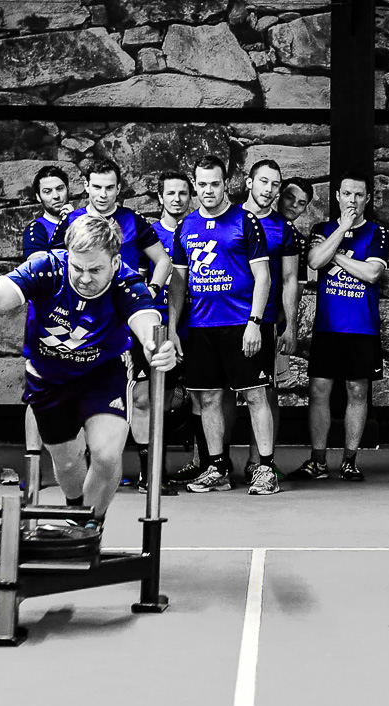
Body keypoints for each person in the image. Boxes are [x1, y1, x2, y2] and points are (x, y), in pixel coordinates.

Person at [0, 214, 175, 532]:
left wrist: (156, 346)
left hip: (102, 375)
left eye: (95, 270)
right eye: (78, 267)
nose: (84, 278)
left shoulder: (126, 282)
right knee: (69, 463)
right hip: (48, 379)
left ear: (115, 262)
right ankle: (77, 510)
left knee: (105, 454)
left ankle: (88, 525)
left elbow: (145, 320)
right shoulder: (47, 268)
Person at [52, 157, 174, 489]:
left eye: (110, 188)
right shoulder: (73, 222)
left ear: (119, 189)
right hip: (84, 326)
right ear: (86, 187)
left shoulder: (133, 220)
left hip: (128, 322)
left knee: (141, 398)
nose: (103, 194)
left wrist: (149, 291)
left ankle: (150, 472)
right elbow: (52, 263)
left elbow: (163, 260)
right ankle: (94, 469)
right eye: (97, 187)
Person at [167, 155, 280, 495]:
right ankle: (217, 467)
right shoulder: (186, 226)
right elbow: (177, 284)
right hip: (201, 328)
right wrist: (173, 328)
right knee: (209, 398)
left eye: (214, 183)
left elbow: (264, 277)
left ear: (226, 182)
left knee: (256, 396)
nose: (208, 191)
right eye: (201, 184)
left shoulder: (245, 221)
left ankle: (266, 468)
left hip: (240, 324)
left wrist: (255, 323)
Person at [288, 173, 389, 482]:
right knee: (319, 391)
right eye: (347, 194)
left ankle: (349, 460)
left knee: (357, 390)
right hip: (327, 326)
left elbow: (372, 274)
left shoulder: (376, 232)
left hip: (362, 326)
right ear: (337, 196)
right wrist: (342, 230)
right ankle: (317, 461)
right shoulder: (322, 228)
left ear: (367, 198)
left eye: (359, 195)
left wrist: (338, 256)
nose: (352, 200)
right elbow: (316, 261)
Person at [239, 159, 304, 483]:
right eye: (263, 181)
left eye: (275, 184)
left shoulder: (284, 228)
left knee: (266, 392)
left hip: (268, 323)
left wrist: (290, 325)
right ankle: (212, 462)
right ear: (249, 182)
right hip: (224, 322)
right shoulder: (229, 218)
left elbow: (291, 279)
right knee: (215, 392)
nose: (269, 189)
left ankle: (259, 463)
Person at [152, 172, 211, 487]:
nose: (177, 199)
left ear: (192, 197)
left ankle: (205, 466)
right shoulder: (148, 236)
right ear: (160, 198)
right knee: (158, 399)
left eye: (183, 193)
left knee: (203, 397)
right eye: (170, 193)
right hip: (159, 329)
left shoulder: (198, 230)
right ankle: (155, 473)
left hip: (199, 326)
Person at [17, 165, 76, 477]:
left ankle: (78, 465)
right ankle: (33, 464)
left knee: (81, 389)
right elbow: (36, 265)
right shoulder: (35, 229)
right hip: (44, 320)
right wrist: (63, 230)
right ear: (38, 196)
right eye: (48, 191)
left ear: (69, 189)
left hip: (83, 318)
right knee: (38, 390)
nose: (56, 195)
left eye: (60, 189)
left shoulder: (82, 222)